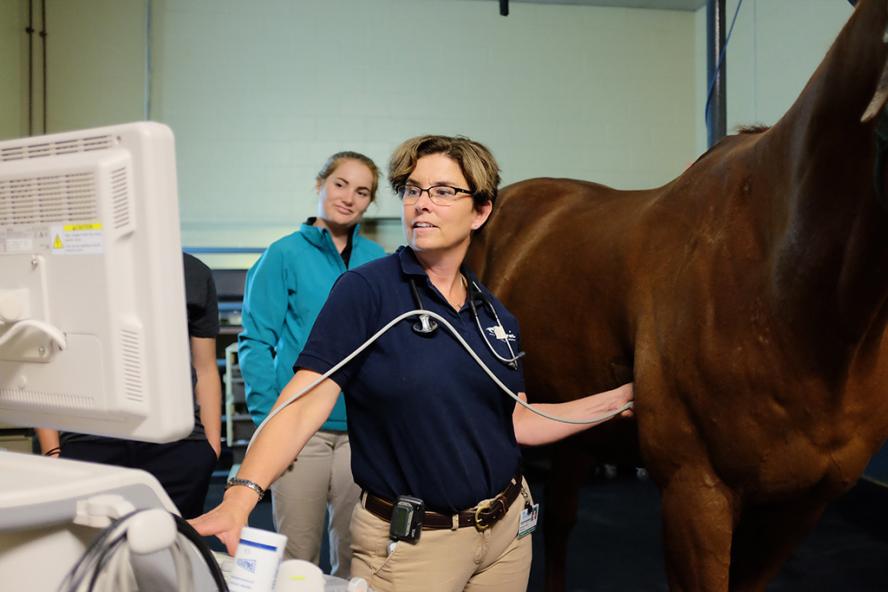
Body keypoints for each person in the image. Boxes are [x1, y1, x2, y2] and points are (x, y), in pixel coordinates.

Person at [192, 135, 633, 592]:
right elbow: (305, 401)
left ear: (480, 211)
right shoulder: (368, 291)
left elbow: (518, 420)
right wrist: (240, 497)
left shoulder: (494, 315)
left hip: (506, 535)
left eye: (443, 191)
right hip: (415, 546)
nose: (422, 204)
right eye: (413, 190)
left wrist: (617, 399)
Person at [238, 151, 386, 576]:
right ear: (320, 185)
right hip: (300, 427)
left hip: (360, 430)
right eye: (340, 184)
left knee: (357, 552)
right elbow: (255, 341)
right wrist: (271, 418)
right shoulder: (282, 254)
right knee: (298, 555)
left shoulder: (379, 260)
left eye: (362, 191)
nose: (349, 197)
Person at [36, 252, 222, 519]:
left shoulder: (192, 271)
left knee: (173, 550)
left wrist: (211, 447)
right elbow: (45, 360)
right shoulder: (66, 268)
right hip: (88, 444)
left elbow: (204, 367)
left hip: (179, 446)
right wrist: (52, 450)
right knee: (90, 553)